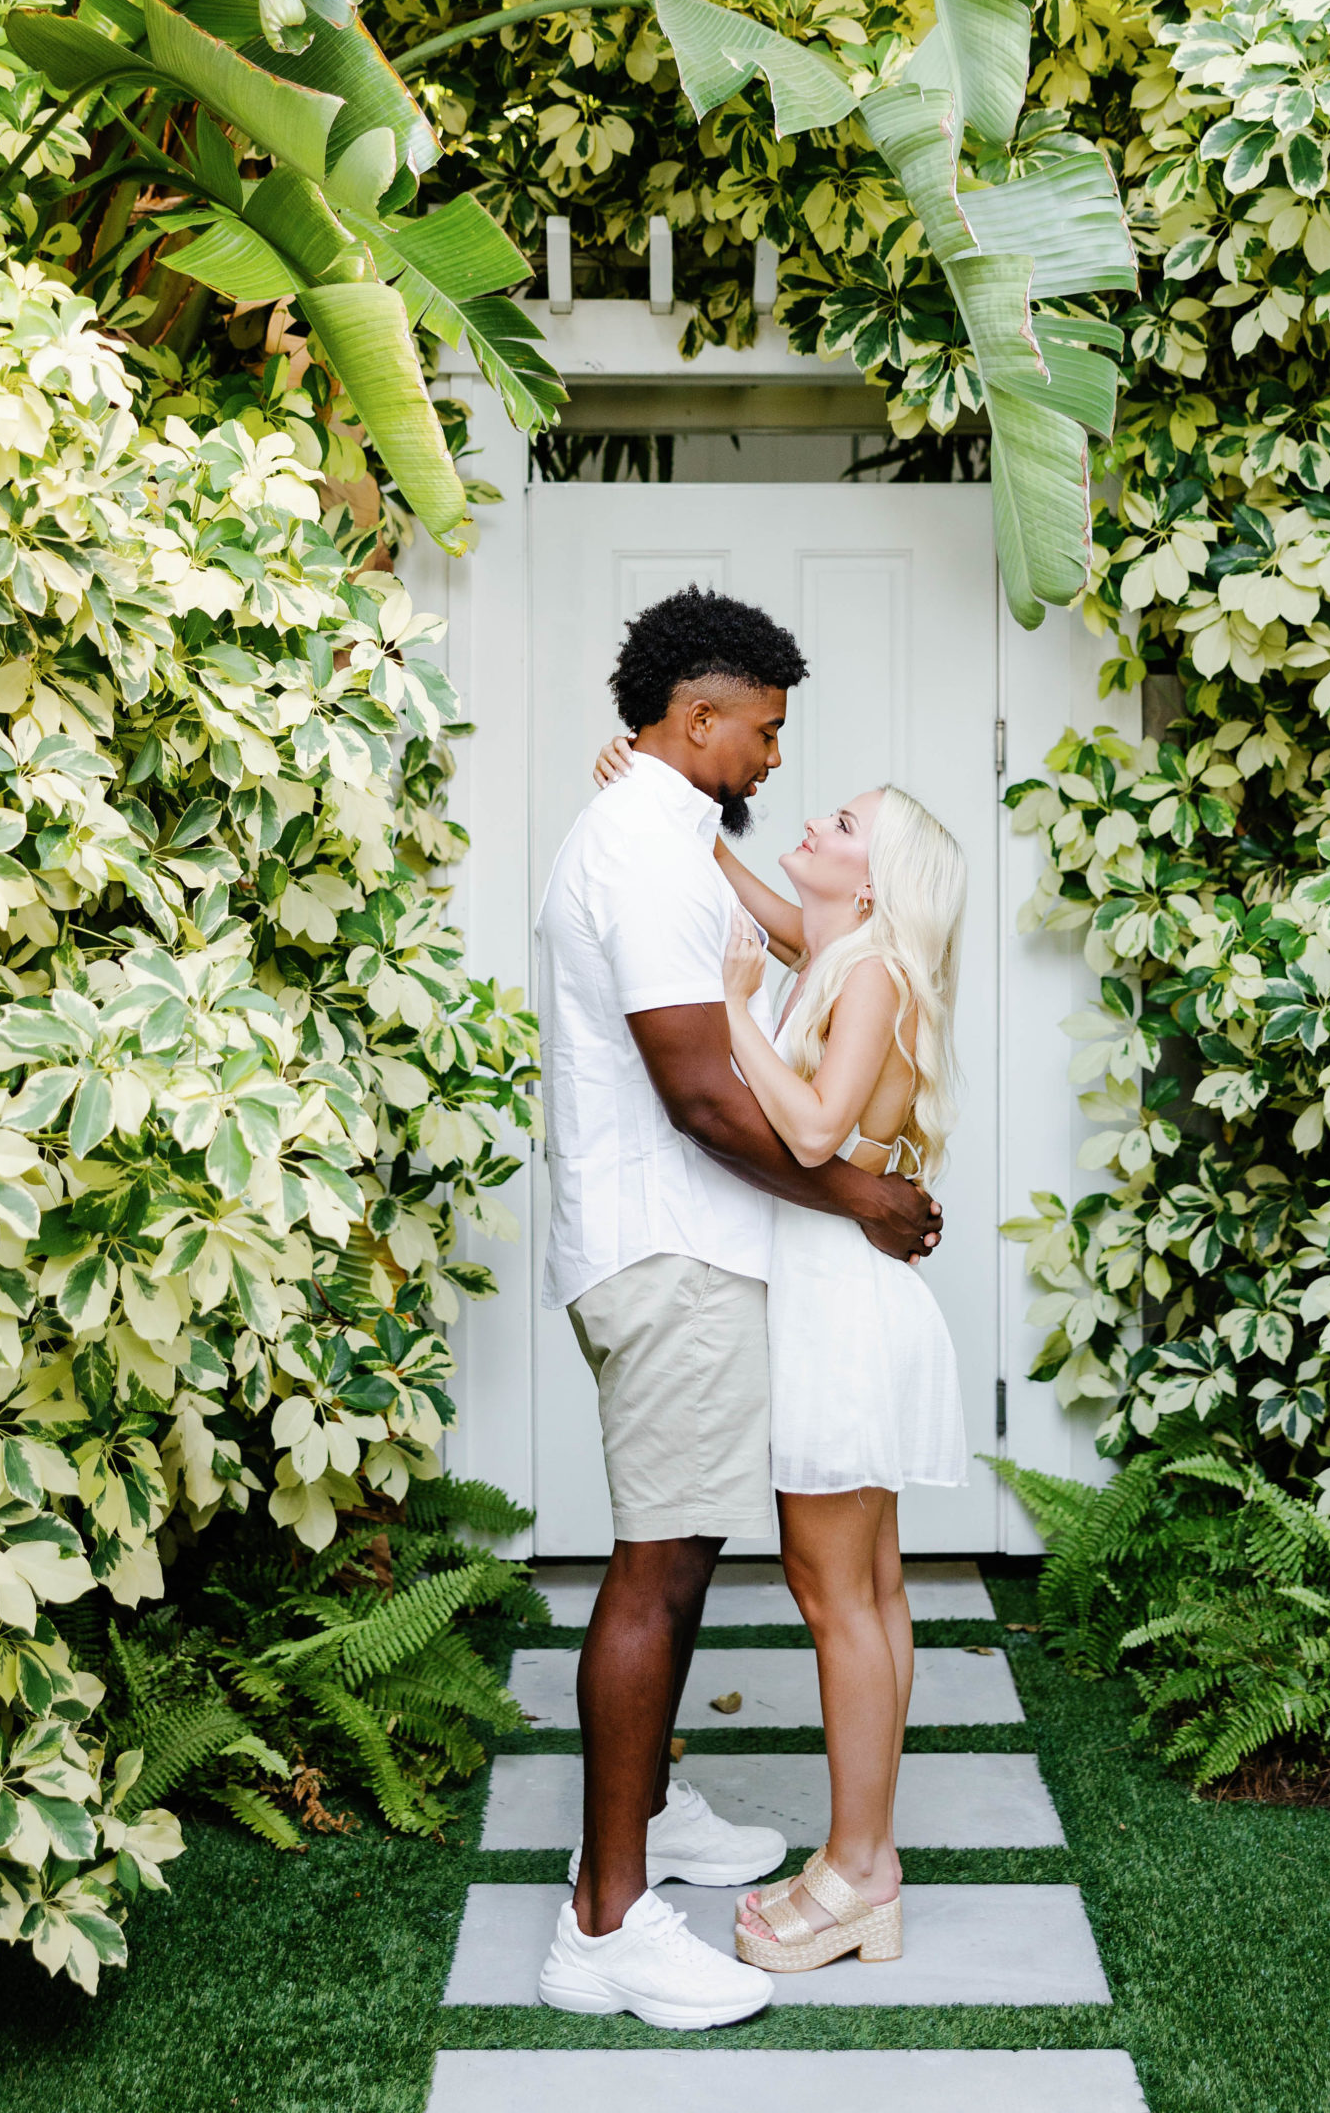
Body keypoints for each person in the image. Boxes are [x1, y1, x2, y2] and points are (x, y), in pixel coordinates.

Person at [536, 588, 942, 2033]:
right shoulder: (639, 852)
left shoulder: (666, 837)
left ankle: (637, 1822)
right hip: (669, 1249)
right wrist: (865, 1203)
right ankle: (608, 1924)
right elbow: (701, 1094)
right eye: (764, 733)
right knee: (656, 1566)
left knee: (687, 1551)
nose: (776, 760)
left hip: (691, 1247)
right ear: (695, 720)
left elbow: (785, 956)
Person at [592, 742, 969, 1975]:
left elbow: (810, 1132)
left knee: (834, 1597)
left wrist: (737, 1015)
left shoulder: (855, 977)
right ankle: (869, 1861)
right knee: (872, 1593)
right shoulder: (846, 957)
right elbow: (755, 892)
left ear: (876, 880)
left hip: (843, 1318)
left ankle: (858, 1869)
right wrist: (676, 811)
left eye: (844, 819)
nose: (813, 818)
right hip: (848, 1307)